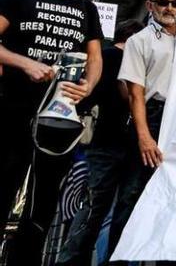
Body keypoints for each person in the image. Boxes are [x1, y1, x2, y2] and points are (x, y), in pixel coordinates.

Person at [0, 0, 104, 264]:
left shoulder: (87, 9)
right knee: (4, 185)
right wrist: (25, 63)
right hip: (13, 110)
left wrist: (88, 86)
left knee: (43, 203)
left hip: (59, 119)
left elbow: (95, 57)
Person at [113, 0, 176, 252]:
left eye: (175, 3)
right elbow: (135, 93)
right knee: (133, 194)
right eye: (163, 2)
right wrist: (144, 136)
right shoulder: (137, 41)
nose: (169, 8)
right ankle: (120, 256)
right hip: (153, 117)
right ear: (149, 5)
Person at [57, 19, 144, 266]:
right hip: (132, 144)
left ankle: (71, 259)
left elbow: (83, 98)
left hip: (104, 141)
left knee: (93, 206)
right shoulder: (130, 60)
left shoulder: (101, 58)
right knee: (125, 209)